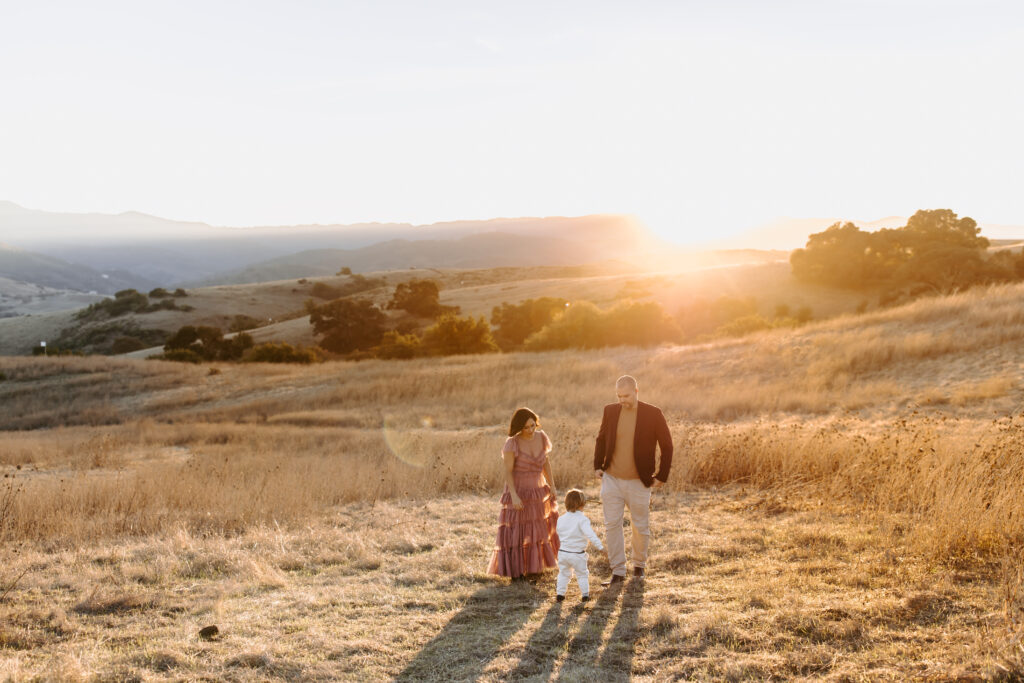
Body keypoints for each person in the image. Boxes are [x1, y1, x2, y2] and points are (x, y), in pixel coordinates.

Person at [594, 375, 673, 585]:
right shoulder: (610, 411)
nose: (622, 400)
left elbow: (667, 446)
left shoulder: (653, 414)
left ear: (636, 391)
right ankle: (618, 572)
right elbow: (601, 438)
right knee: (612, 525)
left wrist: (662, 476)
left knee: (640, 525)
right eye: (619, 396)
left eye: (626, 396)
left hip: (639, 481)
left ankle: (639, 568)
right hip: (611, 479)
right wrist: (597, 466)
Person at [487, 407, 560, 578]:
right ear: (519, 426)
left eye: (532, 425)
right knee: (517, 530)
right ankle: (516, 571)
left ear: (536, 423)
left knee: (537, 528)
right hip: (518, 488)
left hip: (537, 489)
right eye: (526, 427)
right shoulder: (512, 442)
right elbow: (508, 471)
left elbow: (545, 464)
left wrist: (553, 485)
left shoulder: (542, 437)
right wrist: (513, 495)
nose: (530, 430)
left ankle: (535, 568)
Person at [555, 489, 605, 602]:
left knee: (563, 573)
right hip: (577, 554)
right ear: (582, 504)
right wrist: (601, 547)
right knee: (582, 574)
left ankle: (560, 594)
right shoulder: (582, 519)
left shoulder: (561, 519)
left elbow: (559, 533)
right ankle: (585, 595)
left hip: (563, 552)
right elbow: (591, 535)